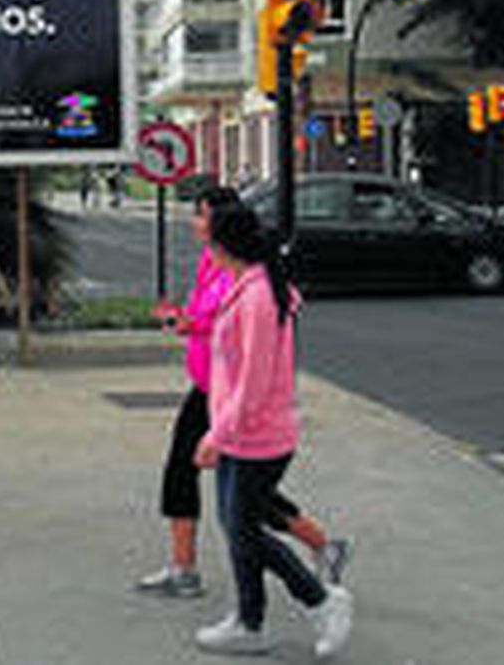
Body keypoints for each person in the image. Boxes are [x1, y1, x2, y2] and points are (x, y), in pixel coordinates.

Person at [139, 187, 349, 598]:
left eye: (201, 216)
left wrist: (219, 433)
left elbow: (241, 347)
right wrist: (183, 321)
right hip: (211, 390)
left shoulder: (247, 281)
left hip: (229, 399)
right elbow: (208, 316)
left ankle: (312, 592)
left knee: (236, 504)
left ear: (223, 227)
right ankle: (313, 557)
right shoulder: (213, 263)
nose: (195, 223)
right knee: (237, 498)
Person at [192, 204, 352, 657]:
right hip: (242, 433)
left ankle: (321, 601)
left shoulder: (259, 296)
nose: (205, 247)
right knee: (236, 526)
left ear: (225, 245)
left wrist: (215, 437)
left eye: (210, 240)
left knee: (242, 530)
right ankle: (249, 620)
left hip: (257, 439)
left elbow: (255, 384)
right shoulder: (249, 284)